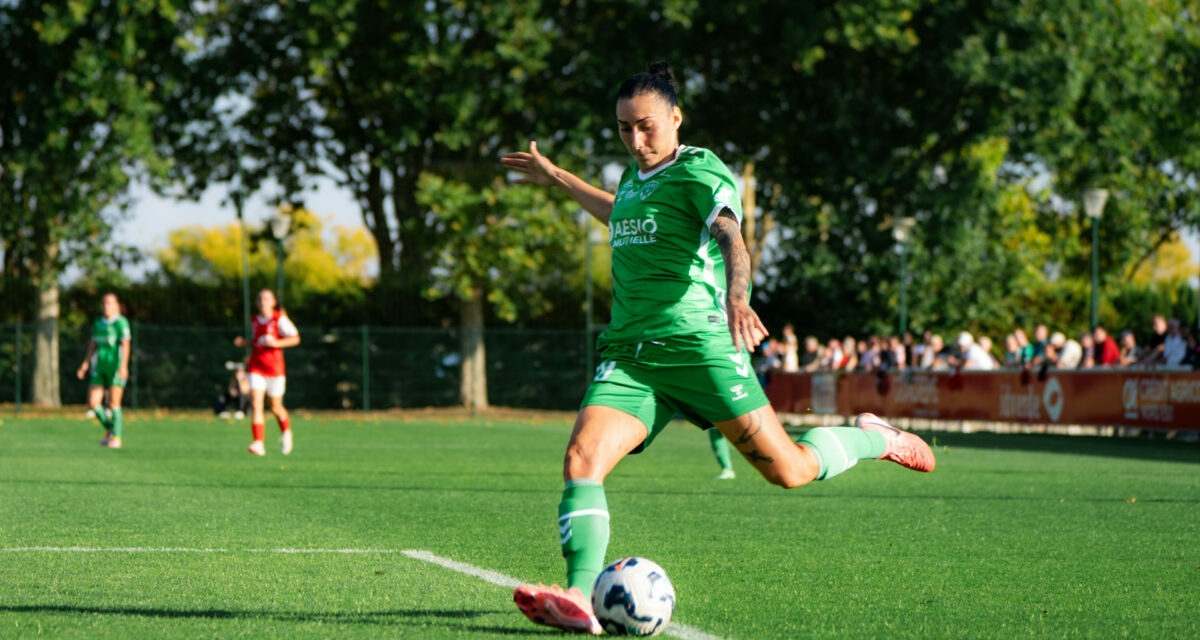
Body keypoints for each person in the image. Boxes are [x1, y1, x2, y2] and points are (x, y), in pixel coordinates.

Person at [499, 61, 936, 635]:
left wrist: (737, 296)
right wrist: (557, 175)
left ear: (676, 118)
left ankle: (874, 437)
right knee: (582, 459)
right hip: (631, 357)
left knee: (789, 470)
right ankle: (578, 596)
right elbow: (617, 212)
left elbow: (730, 233)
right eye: (625, 128)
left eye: (647, 126)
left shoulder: (699, 170)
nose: (636, 140)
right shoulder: (633, 178)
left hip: (699, 348)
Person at [234, 289, 300, 456]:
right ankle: (258, 443)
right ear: (257, 302)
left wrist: (276, 343)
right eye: (260, 299)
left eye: (266, 298)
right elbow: (257, 342)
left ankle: (286, 432)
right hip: (256, 367)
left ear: (273, 302)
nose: (263, 301)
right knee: (256, 403)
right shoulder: (254, 320)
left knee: (275, 407)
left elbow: (295, 338)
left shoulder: (279, 319)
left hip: (275, 369)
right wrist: (245, 343)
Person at [75, 292, 131, 448]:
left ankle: (117, 438)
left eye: (109, 303)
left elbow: (126, 345)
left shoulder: (121, 323)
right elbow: (93, 345)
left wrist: (123, 366)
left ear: (116, 305)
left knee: (114, 403)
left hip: (115, 367)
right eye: (104, 303)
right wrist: (85, 364)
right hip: (100, 366)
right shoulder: (98, 323)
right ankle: (111, 430)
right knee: (93, 402)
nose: (106, 306)